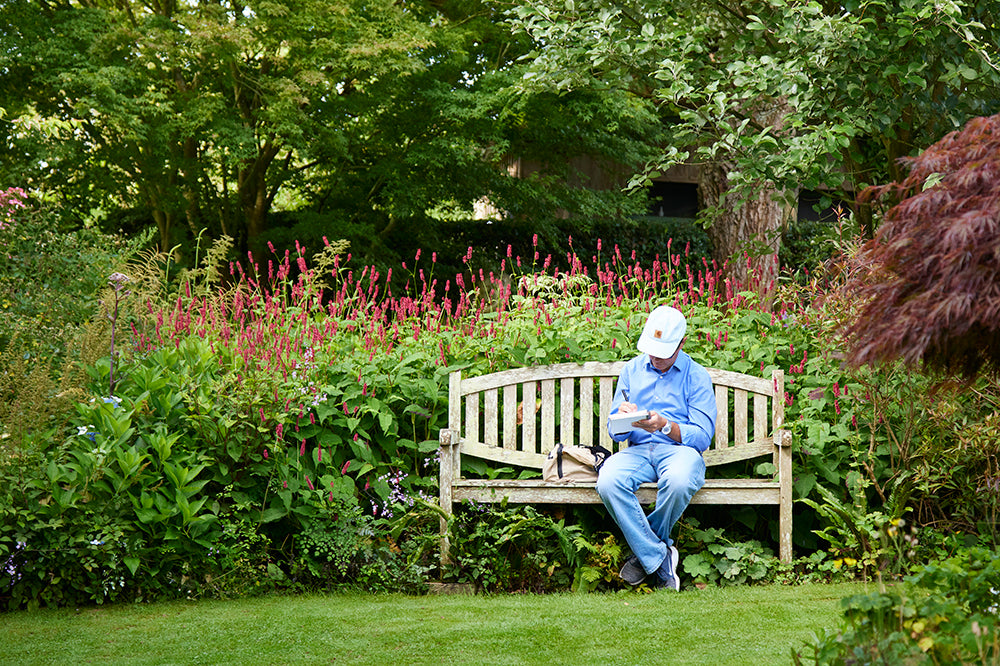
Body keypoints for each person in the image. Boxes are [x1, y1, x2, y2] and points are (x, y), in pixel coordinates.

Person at [596, 305, 717, 590]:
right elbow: (615, 432)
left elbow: (702, 437)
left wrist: (665, 425)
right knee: (608, 481)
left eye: (663, 353)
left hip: (679, 452)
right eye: (651, 350)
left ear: (682, 344)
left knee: (679, 481)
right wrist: (623, 417)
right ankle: (660, 556)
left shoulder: (696, 376)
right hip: (637, 451)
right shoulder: (632, 370)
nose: (655, 357)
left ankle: (646, 553)